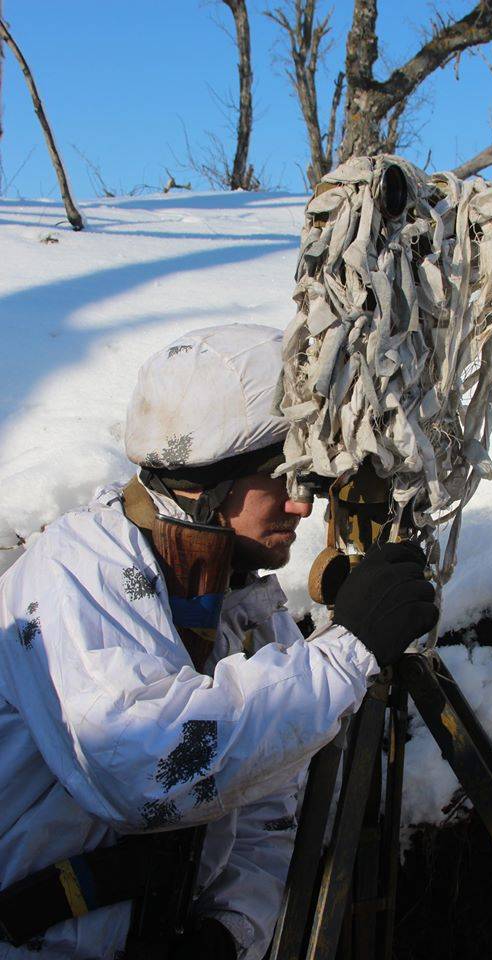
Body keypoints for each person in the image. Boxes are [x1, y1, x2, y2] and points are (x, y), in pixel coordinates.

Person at [0, 324, 437, 960]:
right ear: (208, 483)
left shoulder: (244, 609)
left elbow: (266, 808)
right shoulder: (74, 572)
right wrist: (348, 651)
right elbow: (143, 764)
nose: (302, 509)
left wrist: (231, 932)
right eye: (283, 479)